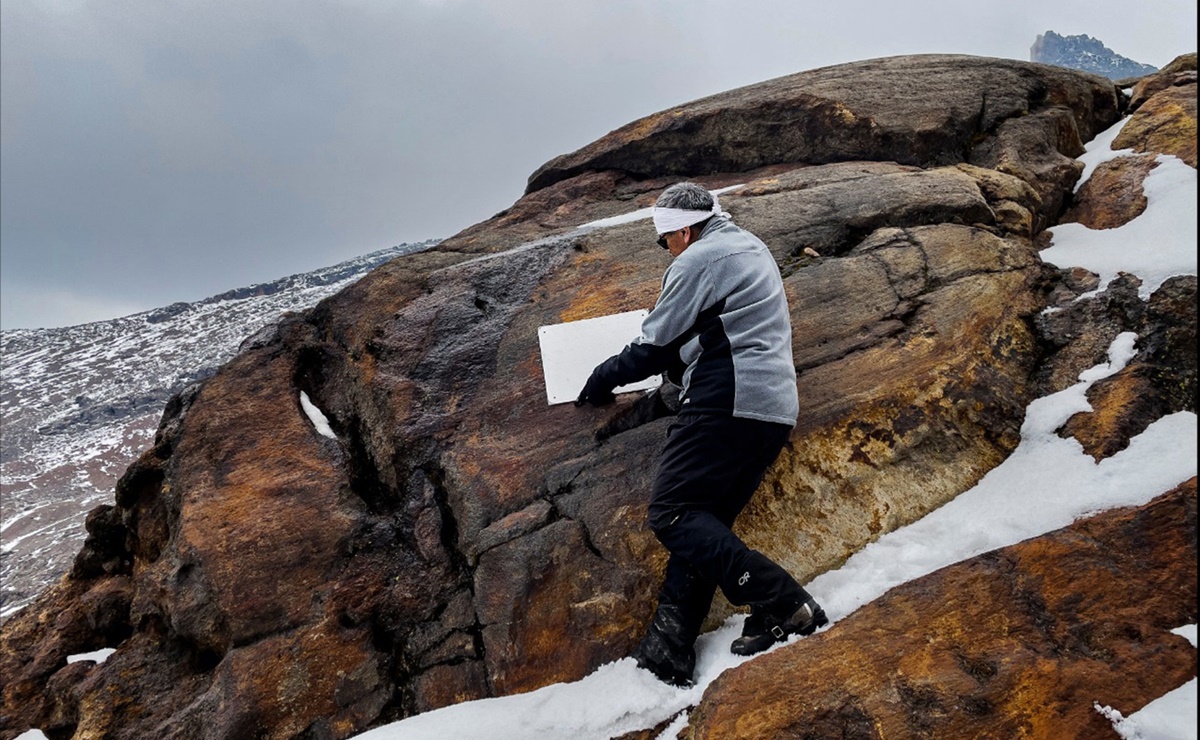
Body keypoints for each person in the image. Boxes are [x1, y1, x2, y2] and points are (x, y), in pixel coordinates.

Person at [575, 182, 827, 687]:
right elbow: (706, 335)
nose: (665, 251)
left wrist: (598, 380)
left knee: (671, 513)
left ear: (683, 231)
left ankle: (782, 597)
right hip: (771, 409)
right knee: (703, 527)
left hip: (725, 403)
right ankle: (669, 650)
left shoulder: (698, 260)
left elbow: (654, 347)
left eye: (664, 241)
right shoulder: (748, 246)